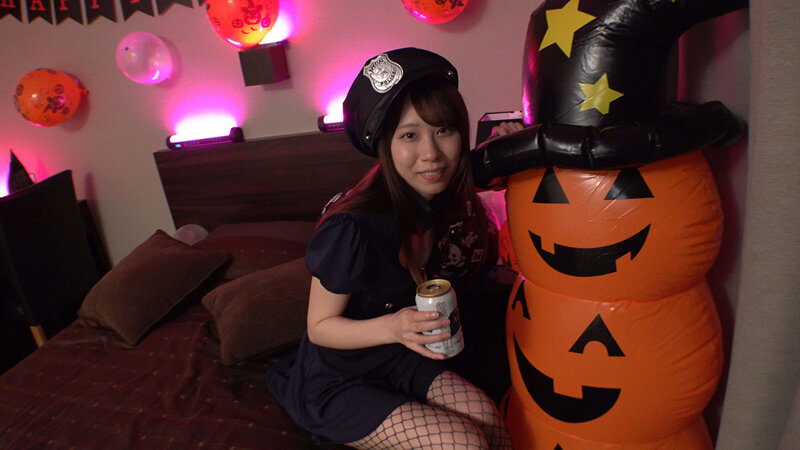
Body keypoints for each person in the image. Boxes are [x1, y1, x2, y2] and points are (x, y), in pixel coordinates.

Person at [267, 47, 512, 449]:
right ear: (386, 144)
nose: (431, 154)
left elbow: (479, 168)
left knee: (489, 418)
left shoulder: (437, 194)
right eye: (409, 135)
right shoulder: (351, 227)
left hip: (396, 358)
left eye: (444, 130)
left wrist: (510, 146)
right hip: (338, 377)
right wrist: (394, 327)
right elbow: (319, 327)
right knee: (465, 443)